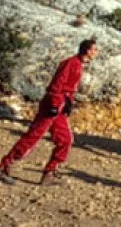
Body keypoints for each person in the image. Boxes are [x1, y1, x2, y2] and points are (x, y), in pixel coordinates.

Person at [0, 39, 99, 186]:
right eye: (95, 49)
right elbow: (57, 83)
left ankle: (50, 173)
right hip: (52, 106)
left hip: (60, 107)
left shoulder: (78, 64)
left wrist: (68, 103)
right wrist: (54, 103)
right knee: (33, 137)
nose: (97, 52)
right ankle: (4, 167)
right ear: (88, 50)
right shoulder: (70, 62)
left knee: (66, 140)